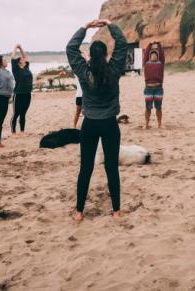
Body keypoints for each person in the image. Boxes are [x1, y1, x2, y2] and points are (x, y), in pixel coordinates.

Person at [66, 18, 127, 221]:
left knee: (86, 168)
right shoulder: (115, 70)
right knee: (111, 168)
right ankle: (116, 211)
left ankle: (79, 212)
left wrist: (84, 27)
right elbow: (122, 44)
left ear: (90, 56)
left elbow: (71, 48)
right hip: (110, 123)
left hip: (90, 124)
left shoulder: (84, 72)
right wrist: (110, 24)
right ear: (107, 55)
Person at [10, 44, 33, 134]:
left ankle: (22, 131)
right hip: (19, 94)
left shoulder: (26, 67)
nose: (24, 59)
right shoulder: (16, 69)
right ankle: (14, 132)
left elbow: (25, 56)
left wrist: (21, 48)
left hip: (27, 93)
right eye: (22, 59)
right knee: (16, 114)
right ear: (19, 62)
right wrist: (16, 47)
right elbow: (12, 58)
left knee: (23, 113)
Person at [142, 41, 165, 129]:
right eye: (152, 54)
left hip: (158, 88)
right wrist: (150, 44)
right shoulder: (146, 64)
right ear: (150, 56)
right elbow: (145, 55)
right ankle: (146, 124)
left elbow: (162, 55)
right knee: (148, 108)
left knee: (158, 107)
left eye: (156, 54)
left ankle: (159, 124)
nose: (154, 55)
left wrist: (159, 45)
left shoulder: (160, 64)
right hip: (148, 88)